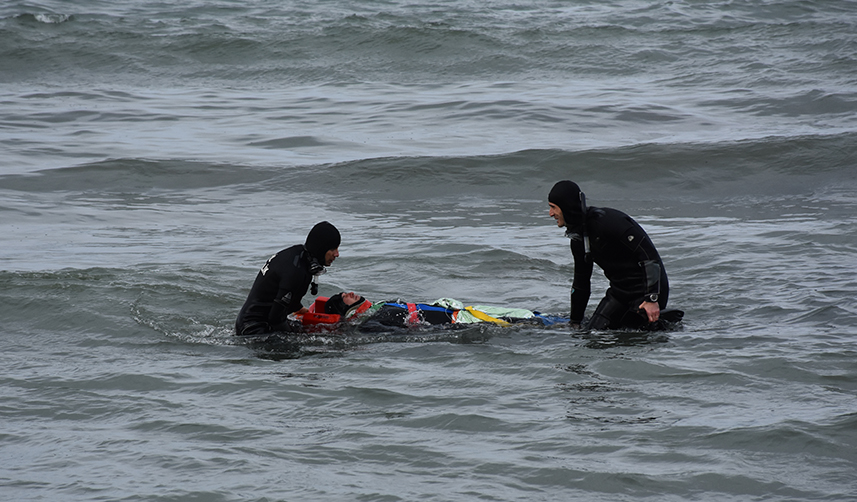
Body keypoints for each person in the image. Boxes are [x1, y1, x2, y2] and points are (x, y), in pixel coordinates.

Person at [548, 181, 670, 330]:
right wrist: (575, 322)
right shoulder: (579, 240)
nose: (551, 213)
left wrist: (652, 298)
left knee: (634, 337)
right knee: (591, 333)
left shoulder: (610, 222)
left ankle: (665, 322)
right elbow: (581, 283)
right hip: (620, 293)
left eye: (553, 207)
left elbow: (648, 256)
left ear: (566, 207)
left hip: (648, 292)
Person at [235, 221, 341, 336]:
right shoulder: (295, 270)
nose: (337, 254)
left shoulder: (300, 257)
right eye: (333, 249)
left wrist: (300, 309)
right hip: (253, 329)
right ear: (321, 248)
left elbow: (283, 298)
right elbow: (276, 320)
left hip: (257, 322)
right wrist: (302, 338)